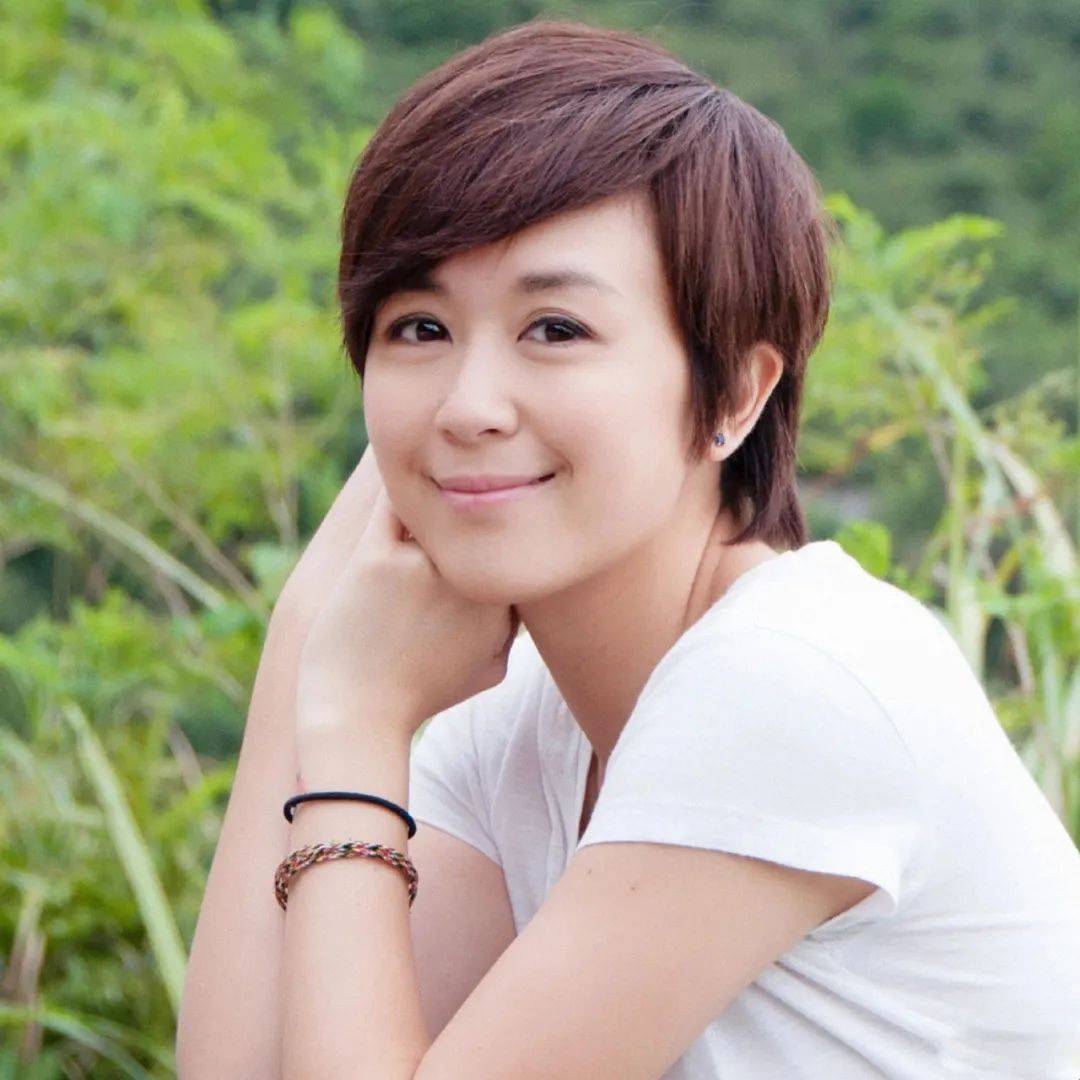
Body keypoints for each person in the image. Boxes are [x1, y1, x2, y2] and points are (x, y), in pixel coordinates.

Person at [178, 18, 1080, 1080]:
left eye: (555, 329)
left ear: (735, 394)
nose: (468, 406)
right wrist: (308, 650)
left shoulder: (787, 681)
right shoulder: (518, 727)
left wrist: (358, 721)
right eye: (419, 328)